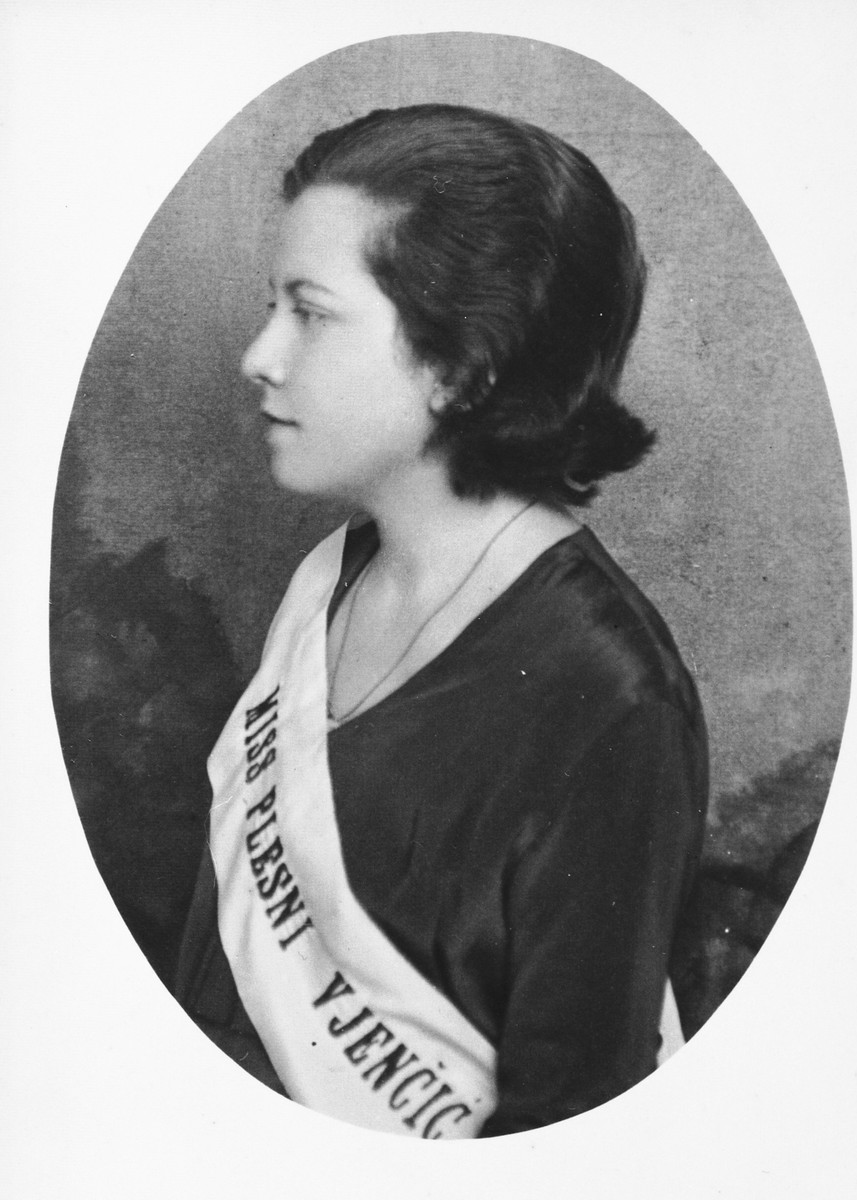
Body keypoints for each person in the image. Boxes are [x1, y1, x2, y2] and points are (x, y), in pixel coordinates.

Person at [174, 104, 708, 1139]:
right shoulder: (335, 574)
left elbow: (574, 1136)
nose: (257, 353)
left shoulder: (609, 702)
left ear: (460, 364)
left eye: (311, 312)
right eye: (269, 306)